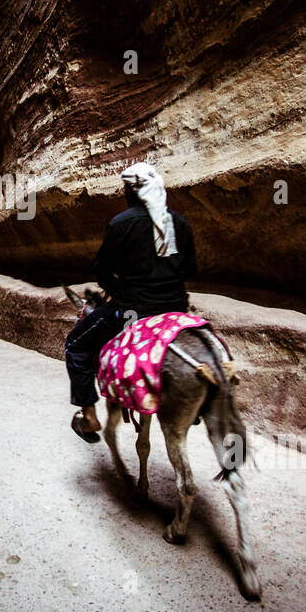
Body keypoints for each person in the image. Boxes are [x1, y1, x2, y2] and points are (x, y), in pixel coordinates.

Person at [65, 162, 198, 442]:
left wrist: (123, 289)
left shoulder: (121, 223)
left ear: (131, 191)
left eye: (125, 188)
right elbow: (190, 270)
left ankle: (89, 417)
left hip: (132, 309)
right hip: (175, 309)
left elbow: (102, 273)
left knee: (76, 345)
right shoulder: (179, 223)